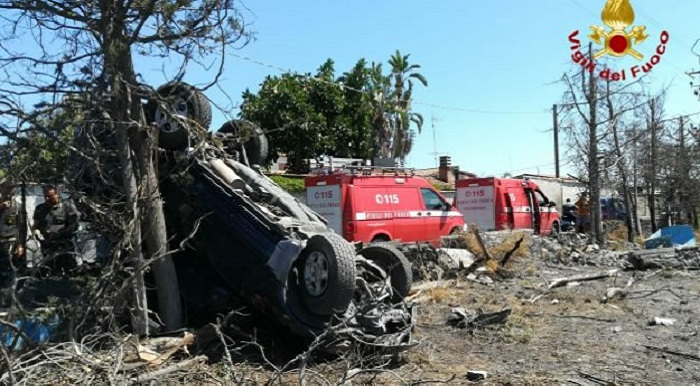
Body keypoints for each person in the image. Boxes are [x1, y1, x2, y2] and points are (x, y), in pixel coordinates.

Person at [32, 185, 80, 274]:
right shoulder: (40, 208)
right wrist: (37, 232)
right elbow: (36, 225)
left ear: (57, 194)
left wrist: (58, 234)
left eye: (50, 196)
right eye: (45, 196)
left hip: (64, 245)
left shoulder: (68, 207)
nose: (47, 199)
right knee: (50, 272)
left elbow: (73, 226)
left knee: (70, 271)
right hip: (47, 245)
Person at [0, 186, 25, 286]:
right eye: (5, 191)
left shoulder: (18, 207)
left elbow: (22, 228)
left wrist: (21, 245)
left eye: (10, 192)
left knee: (10, 267)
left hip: (11, 241)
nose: (7, 194)